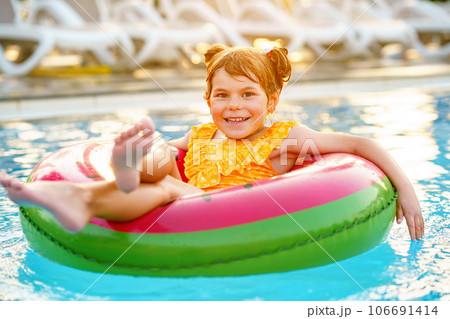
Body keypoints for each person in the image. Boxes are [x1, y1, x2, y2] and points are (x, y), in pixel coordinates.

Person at [0, 44, 424, 240]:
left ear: (271, 100)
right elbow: (171, 156)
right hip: (185, 191)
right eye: (222, 95)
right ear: (207, 99)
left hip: (228, 212)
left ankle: (98, 191)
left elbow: (361, 144)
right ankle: (120, 172)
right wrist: (149, 154)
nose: (233, 107)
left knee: (166, 187)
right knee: (165, 159)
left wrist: (407, 191)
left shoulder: (288, 134)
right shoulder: (202, 133)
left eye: (248, 95)